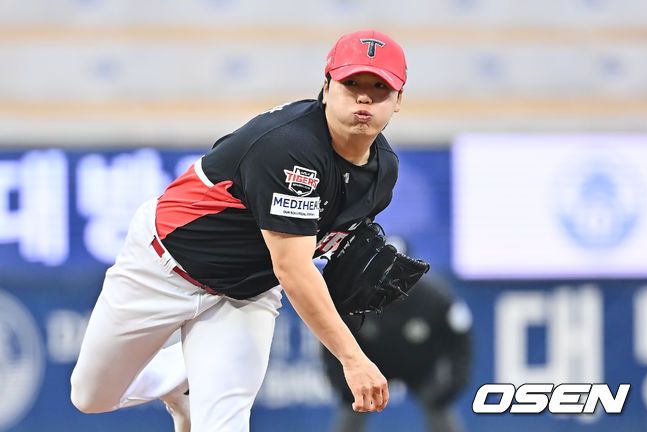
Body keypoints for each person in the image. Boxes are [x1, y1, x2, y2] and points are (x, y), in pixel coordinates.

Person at [70, 29, 407, 432]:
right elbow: (294, 269)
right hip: (164, 268)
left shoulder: (383, 171)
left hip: (244, 294)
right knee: (92, 397)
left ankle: (201, 387)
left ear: (398, 101)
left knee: (224, 424)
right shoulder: (289, 146)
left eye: (380, 87)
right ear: (326, 86)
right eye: (351, 83)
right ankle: (182, 378)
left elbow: (318, 249)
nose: (364, 98)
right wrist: (352, 358)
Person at [321, 271, 473, 432]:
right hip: (372, 367)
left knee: (439, 407)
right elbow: (332, 335)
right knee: (355, 405)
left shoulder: (436, 297)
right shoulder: (356, 297)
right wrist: (343, 386)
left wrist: (453, 385)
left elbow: (460, 340)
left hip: (422, 367)